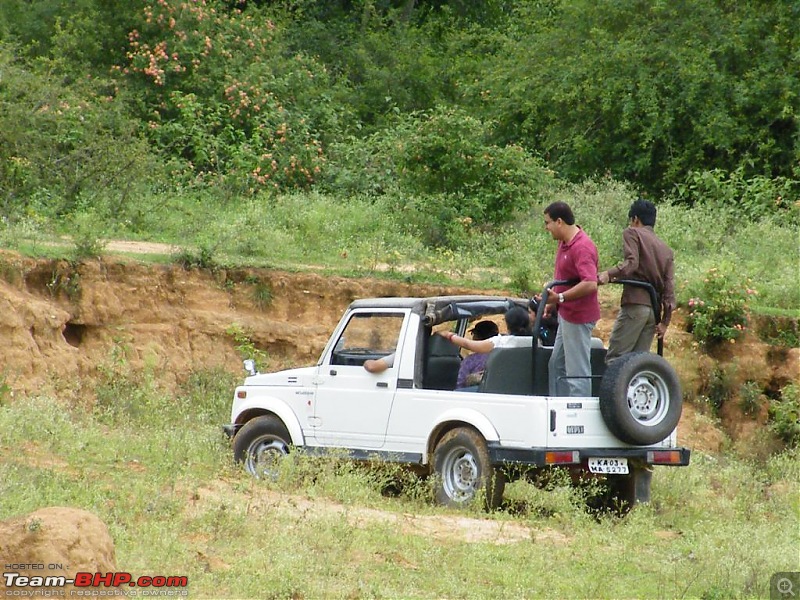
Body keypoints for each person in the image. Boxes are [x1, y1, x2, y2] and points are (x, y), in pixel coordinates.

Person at [599, 198, 675, 364]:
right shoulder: (666, 250)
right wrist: (665, 321)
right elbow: (669, 289)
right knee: (637, 364)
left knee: (616, 360)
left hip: (635, 305)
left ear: (635, 219)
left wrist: (608, 275)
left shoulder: (632, 233)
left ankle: (615, 391)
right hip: (653, 312)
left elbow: (631, 263)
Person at [542, 201, 601, 397]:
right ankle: (558, 408)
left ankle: (579, 414)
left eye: (547, 223)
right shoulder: (564, 243)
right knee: (557, 365)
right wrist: (553, 303)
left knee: (577, 372)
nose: (546, 227)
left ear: (559, 222)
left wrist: (559, 297)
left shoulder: (582, 247)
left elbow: (590, 283)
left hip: (578, 316)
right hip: (566, 314)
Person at [436, 305, 532, 357]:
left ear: (508, 325)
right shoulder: (536, 342)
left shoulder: (501, 342)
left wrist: (448, 335)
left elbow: (468, 344)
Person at [455, 320, 500, 389]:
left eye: (473, 334)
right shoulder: (502, 357)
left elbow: (459, 383)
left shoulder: (471, 360)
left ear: (477, 336)